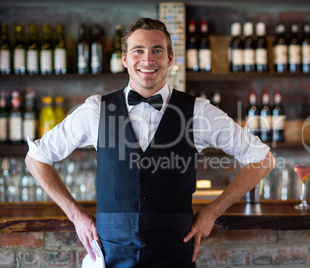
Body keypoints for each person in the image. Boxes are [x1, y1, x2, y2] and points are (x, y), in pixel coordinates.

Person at [25, 17, 275, 267]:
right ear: (124, 58)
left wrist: (213, 211)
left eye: (157, 50)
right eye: (138, 51)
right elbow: (36, 158)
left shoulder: (198, 111)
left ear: (169, 58)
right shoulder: (96, 110)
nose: (147, 60)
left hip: (174, 254)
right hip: (109, 255)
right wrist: (75, 215)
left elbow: (263, 159)